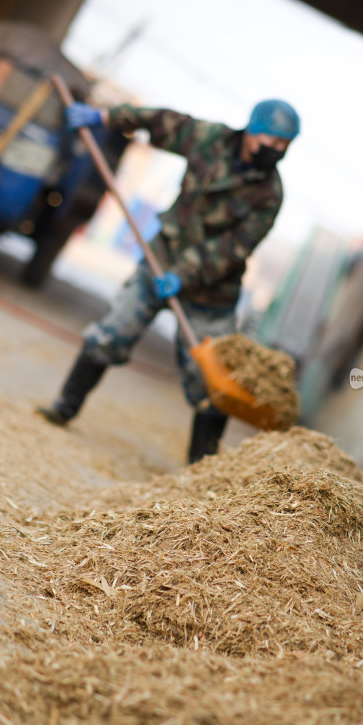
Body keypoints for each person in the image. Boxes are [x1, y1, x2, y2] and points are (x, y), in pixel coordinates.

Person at [37, 98, 300, 463]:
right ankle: (65, 406)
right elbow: (159, 120)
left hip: (210, 290)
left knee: (210, 380)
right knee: (112, 332)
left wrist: (185, 274)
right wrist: (105, 116)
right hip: (160, 262)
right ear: (252, 130)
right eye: (272, 139)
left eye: (285, 144)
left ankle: (202, 466)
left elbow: (234, 248)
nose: (278, 149)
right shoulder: (208, 139)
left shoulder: (270, 193)